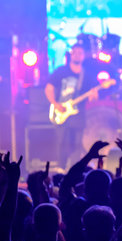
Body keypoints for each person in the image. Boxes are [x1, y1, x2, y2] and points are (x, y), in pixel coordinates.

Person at [44, 42, 99, 170]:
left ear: (84, 56)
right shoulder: (61, 71)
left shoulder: (87, 75)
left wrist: (93, 95)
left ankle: (74, 170)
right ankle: (61, 169)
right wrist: (55, 103)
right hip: (61, 112)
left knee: (76, 144)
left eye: (80, 53)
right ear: (71, 54)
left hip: (78, 115)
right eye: (75, 53)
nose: (77, 55)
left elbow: (93, 96)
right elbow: (48, 88)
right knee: (61, 143)